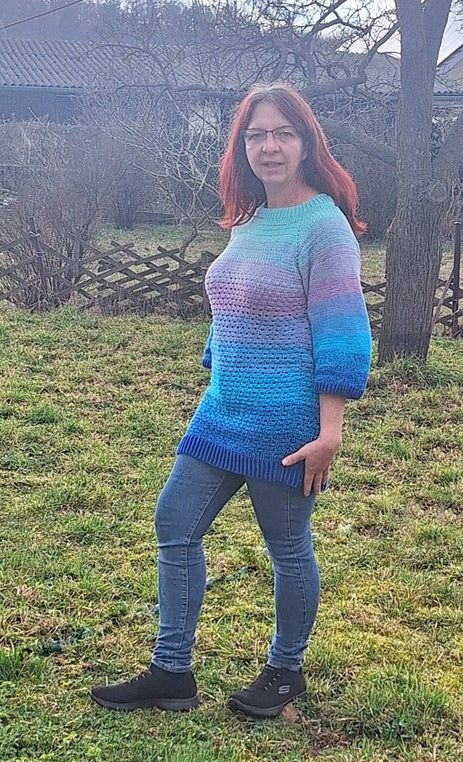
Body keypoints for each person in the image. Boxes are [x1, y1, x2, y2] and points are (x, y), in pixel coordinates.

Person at [90, 82, 372, 719]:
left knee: (287, 548)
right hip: (222, 413)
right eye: (256, 135)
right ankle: (171, 671)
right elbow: (234, 301)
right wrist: (218, 361)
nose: (269, 146)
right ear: (242, 146)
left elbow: (343, 333)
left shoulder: (324, 226)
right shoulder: (250, 219)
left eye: (283, 134)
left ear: (306, 144)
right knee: (174, 522)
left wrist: (329, 432)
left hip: (286, 426)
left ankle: (286, 671)